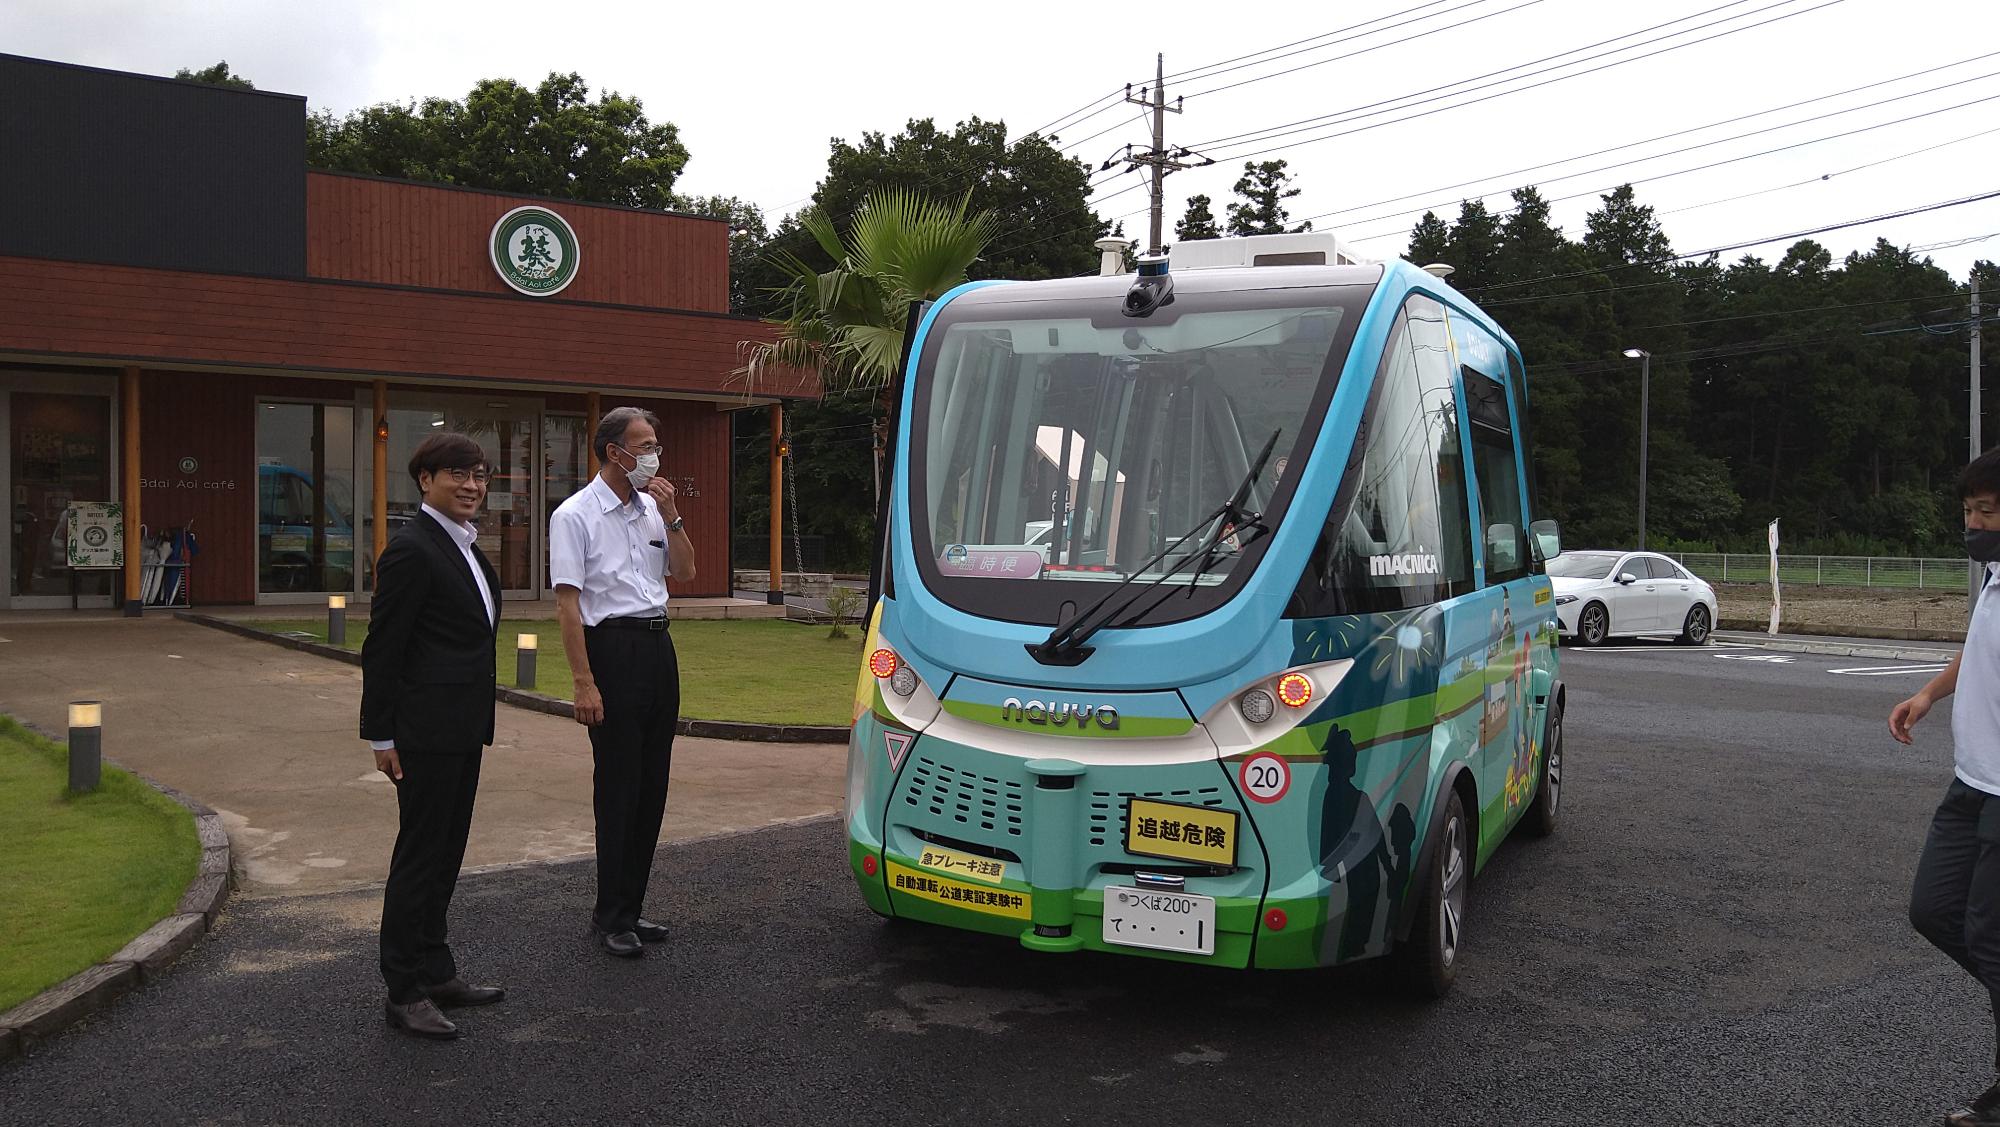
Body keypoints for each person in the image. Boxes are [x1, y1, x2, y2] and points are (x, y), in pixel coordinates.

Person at [359, 433, 506, 1040]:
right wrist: (380, 736)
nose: (471, 485)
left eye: (479, 475)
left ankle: (436, 969)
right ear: (425, 480)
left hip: (461, 728)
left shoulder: (465, 546)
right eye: (457, 474)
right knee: (420, 858)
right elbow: (383, 649)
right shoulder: (412, 550)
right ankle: (404, 988)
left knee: (446, 854)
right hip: (423, 733)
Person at [549, 406, 695, 958]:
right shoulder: (576, 515)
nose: (654, 456)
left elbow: (684, 572)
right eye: (646, 445)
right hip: (612, 649)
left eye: (656, 445)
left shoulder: (653, 511)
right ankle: (609, 915)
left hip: (658, 645)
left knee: (653, 781)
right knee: (618, 785)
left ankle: (631, 907)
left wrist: (674, 514)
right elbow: (568, 607)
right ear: (615, 452)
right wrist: (584, 682)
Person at [1891, 448, 2000, 1126]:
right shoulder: (1993, 575)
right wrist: (1930, 691)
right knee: (1933, 909)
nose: (1976, 522)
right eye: (1969, 511)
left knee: (1989, 932)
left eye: (1988, 510)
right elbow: (1979, 645)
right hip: (1971, 781)